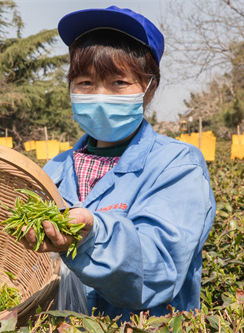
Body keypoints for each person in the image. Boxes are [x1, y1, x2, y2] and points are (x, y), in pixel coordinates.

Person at [18, 6, 215, 321]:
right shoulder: (54, 169)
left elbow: (159, 269)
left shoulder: (176, 164)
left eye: (118, 82)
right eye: (84, 82)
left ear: (149, 89)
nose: (98, 95)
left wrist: (92, 236)